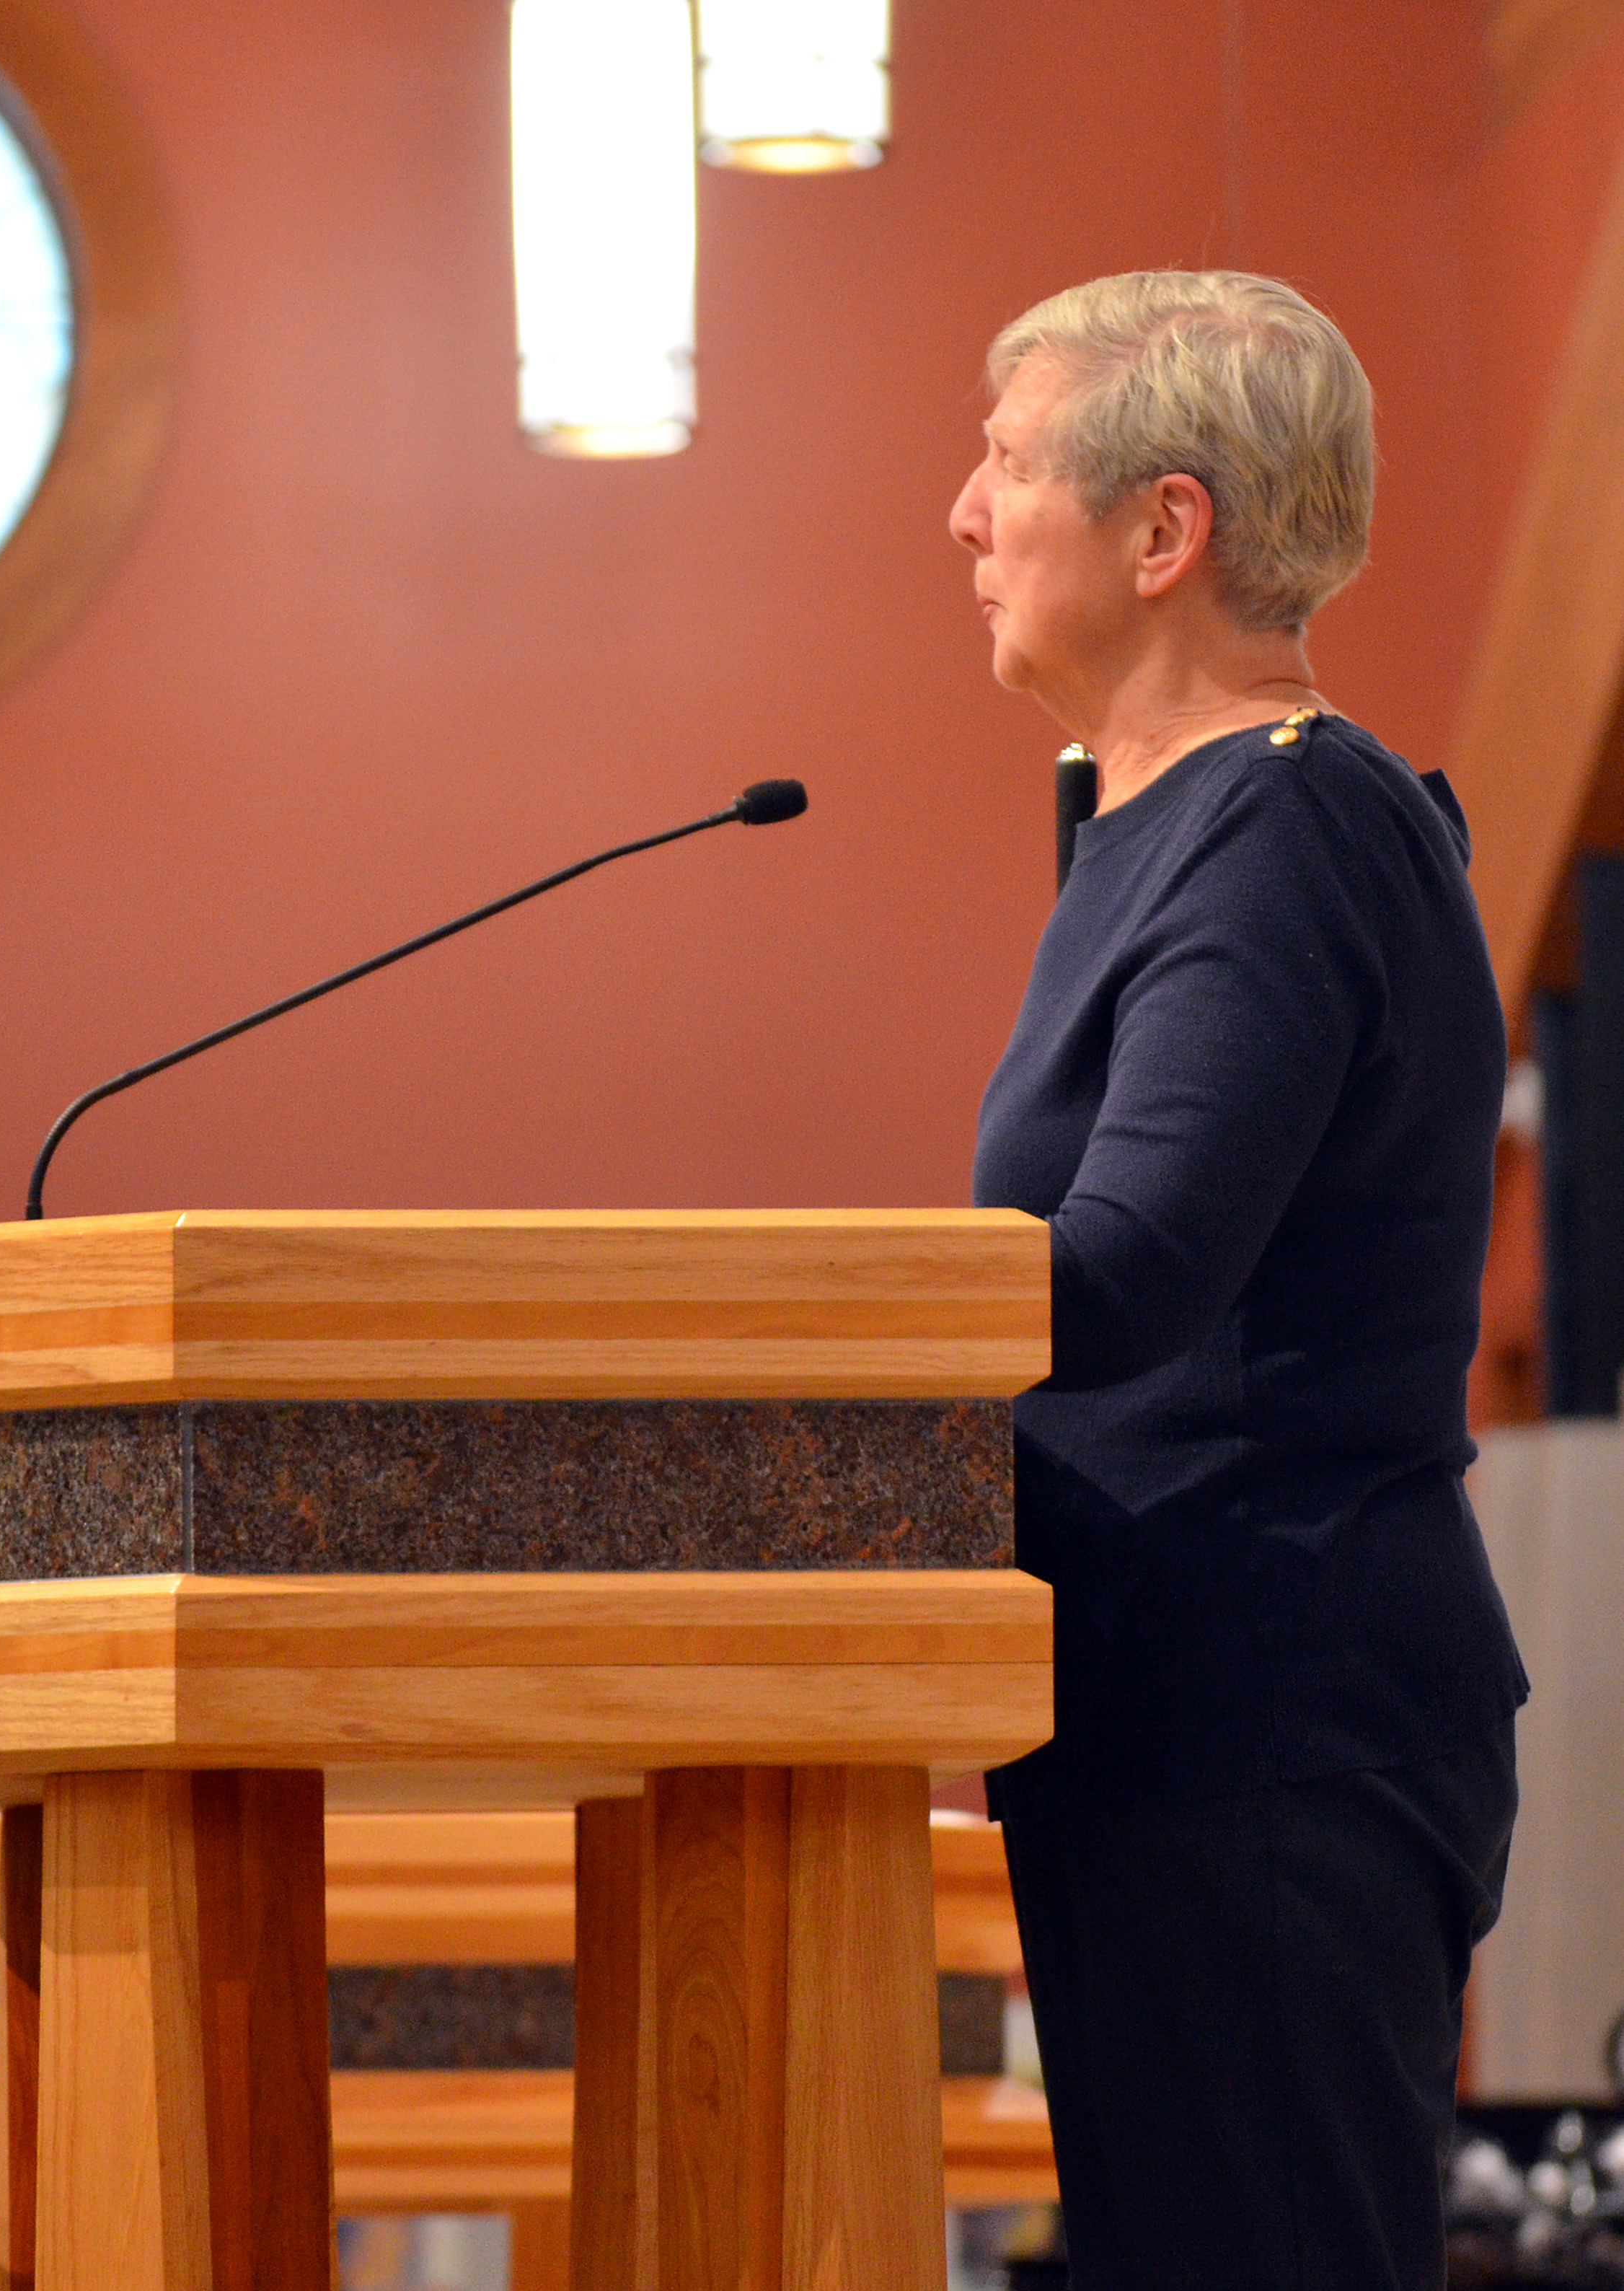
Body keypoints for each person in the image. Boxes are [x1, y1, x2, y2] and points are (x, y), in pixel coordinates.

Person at [953, 270, 1530, 2291]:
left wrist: (802, 1313)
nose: (964, 515)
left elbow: (1122, 1275)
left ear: (1163, 527)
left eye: (1007, 462)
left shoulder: (1286, 826)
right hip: (1164, 1717)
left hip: (1273, 1725)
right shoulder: (1149, 826)